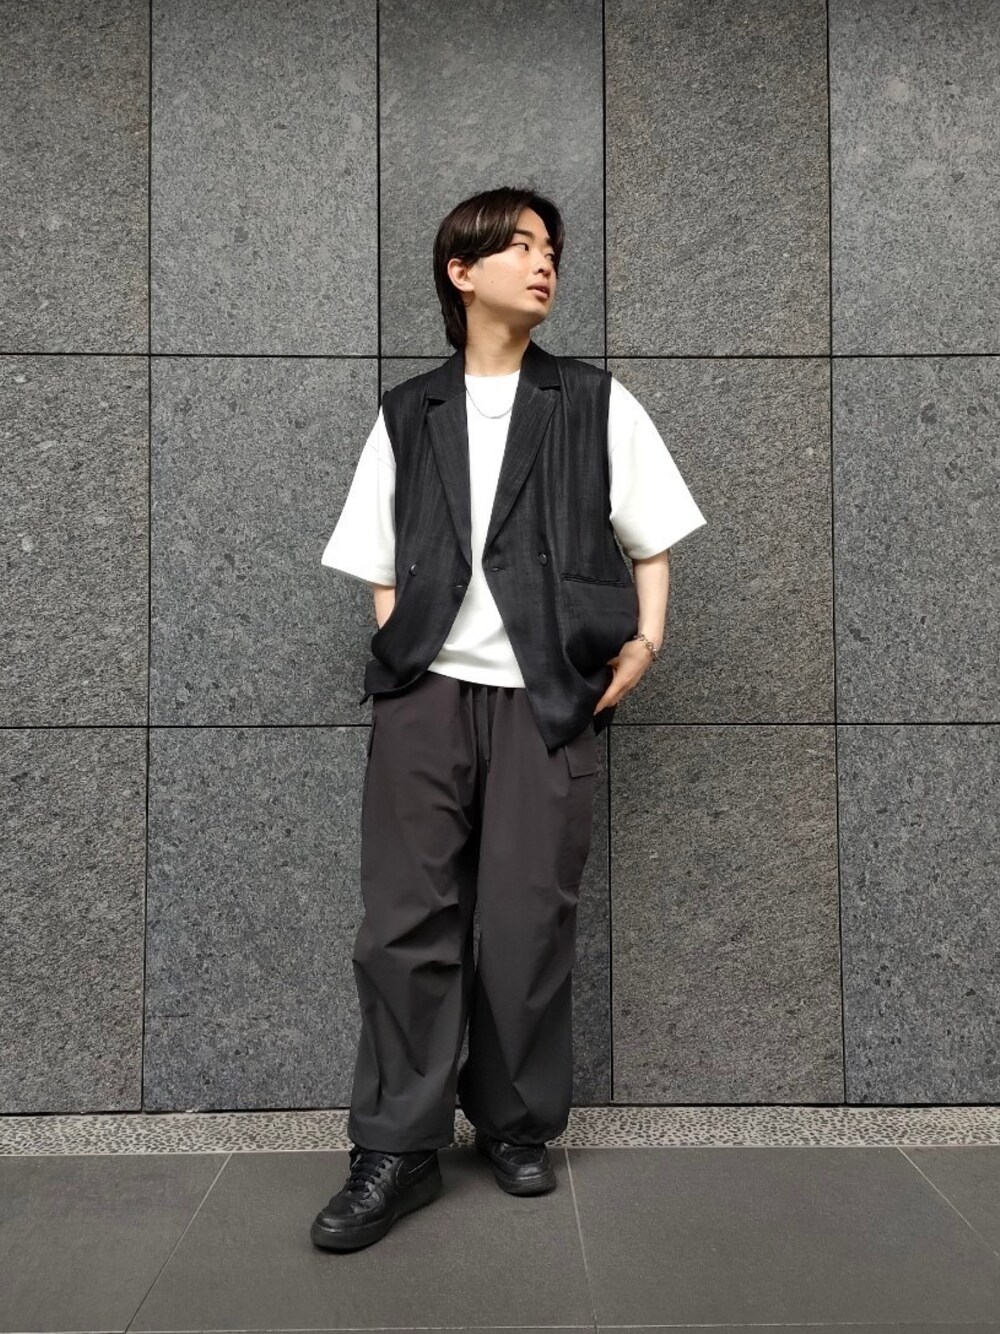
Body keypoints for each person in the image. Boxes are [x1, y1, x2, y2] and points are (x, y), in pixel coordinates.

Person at [311, 186, 706, 1251]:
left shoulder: (593, 401)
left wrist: (643, 645)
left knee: (530, 921)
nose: (544, 264)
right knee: (405, 923)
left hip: (546, 699)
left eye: (551, 250)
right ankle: (396, 1146)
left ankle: (515, 1121)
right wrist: (409, 650)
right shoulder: (410, 412)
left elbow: (652, 538)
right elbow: (377, 559)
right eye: (521, 246)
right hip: (426, 699)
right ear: (462, 270)